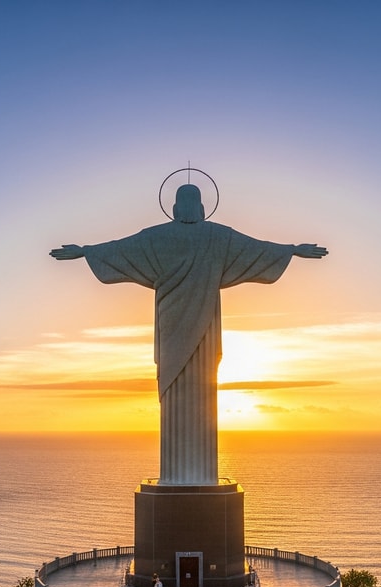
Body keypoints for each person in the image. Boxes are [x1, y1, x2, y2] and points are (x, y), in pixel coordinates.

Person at [51, 184, 326, 485]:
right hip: (196, 325)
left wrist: (86, 252)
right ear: (200, 207)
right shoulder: (217, 236)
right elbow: (258, 249)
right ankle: (184, 477)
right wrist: (291, 250)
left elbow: (118, 249)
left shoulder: (160, 237)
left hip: (176, 324)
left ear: (175, 207)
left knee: (195, 386)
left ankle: (184, 477)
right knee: (183, 387)